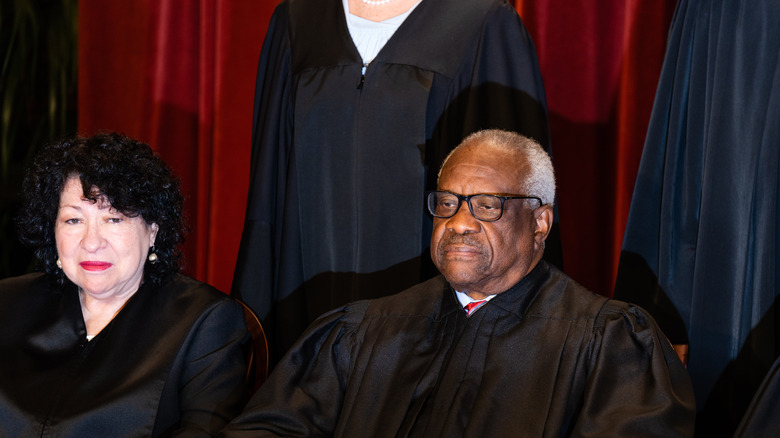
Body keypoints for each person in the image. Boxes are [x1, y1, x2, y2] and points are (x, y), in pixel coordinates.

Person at [220, 129, 696, 437]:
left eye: (487, 205)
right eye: (447, 203)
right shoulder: (363, 331)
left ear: (540, 223)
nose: (460, 222)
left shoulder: (607, 342)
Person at [232, 0, 561, 362]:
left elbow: (514, 202)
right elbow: (269, 188)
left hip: (435, 324)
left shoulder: (482, 22)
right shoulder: (297, 20)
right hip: (305, 304)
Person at [0, 133, 250, 437]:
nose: (91, 243)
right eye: (73, 221)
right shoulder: (7, 301)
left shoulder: (205, 323)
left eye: (114, 219)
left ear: (153, 230)